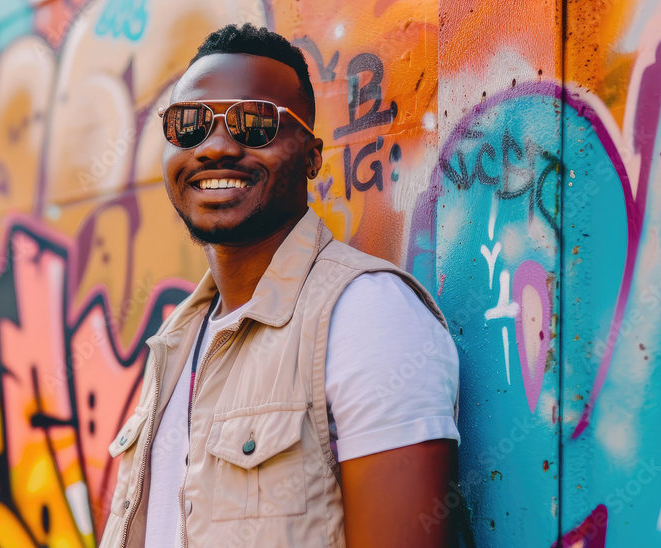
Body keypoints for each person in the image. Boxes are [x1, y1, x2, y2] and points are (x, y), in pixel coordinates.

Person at [100, 23, 460, 548]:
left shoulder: (366, 316)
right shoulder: (176, 342)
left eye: (254, 124)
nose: (215, 147)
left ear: (313, 155)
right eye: (190, 124)